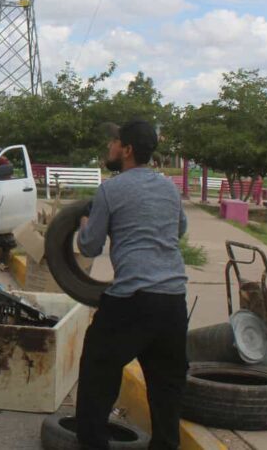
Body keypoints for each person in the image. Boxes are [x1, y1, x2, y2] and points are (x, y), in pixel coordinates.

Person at [75, 120, 189, 450]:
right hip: (172, 301)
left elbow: (90, 247)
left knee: (96, 380)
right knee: (167, 394)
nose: (109, 147)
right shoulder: (169, 188)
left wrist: (85, 223)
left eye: (114, 142)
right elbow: (178, 229)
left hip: (131, 300)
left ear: (126, 150)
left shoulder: (111, 189)